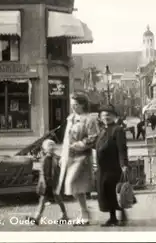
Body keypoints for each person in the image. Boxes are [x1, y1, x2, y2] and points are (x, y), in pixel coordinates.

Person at [56, 92, 100, 226]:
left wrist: (79, 145)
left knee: (74, 185)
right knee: (73, 186)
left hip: (82, 157)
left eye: (76, 105)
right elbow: (66, 140)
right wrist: (63, 156)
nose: (73, 107)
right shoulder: (71, 118)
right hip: (70, 156)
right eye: (72, 105)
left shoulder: (90, 119)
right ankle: (84, 212)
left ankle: (85, 212)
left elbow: (93, 137)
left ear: (83, 104)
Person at [95, 104, 129, 227]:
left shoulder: (118, 130)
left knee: (117, 192)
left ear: (114, 116)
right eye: (103, 115)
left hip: (113, 167)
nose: (106, 117)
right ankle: (112, 218)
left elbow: (122, 149)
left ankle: (122, 216)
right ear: (100, 118)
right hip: (102, 169)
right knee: (106, 193)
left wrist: (123, 164)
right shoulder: (102, 131)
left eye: (108, 115)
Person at [27, 139, 68, 226]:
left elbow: (61, 169)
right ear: (45, 149)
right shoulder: (44, 159)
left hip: (54, 183)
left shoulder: (57, 158)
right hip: (46, 184)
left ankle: (64, 215)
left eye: (52, 145)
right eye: (49, 146)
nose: (51, 147)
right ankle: (37, 218)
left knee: (58, 199)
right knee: (42, 200)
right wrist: (42, 184)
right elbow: (42, 172)